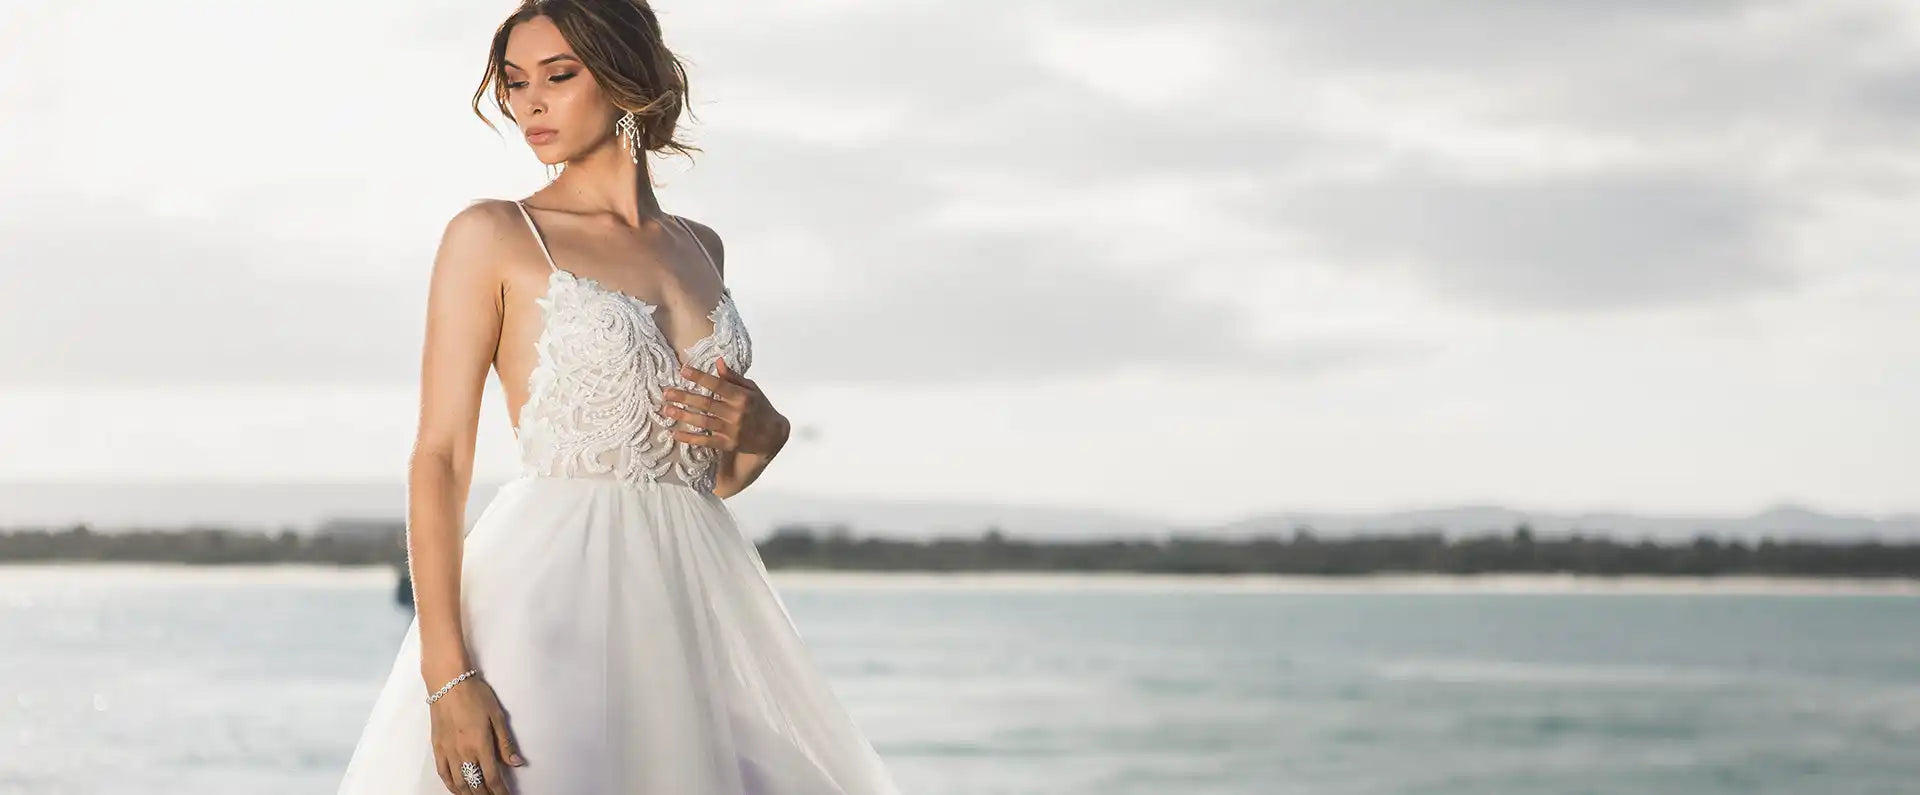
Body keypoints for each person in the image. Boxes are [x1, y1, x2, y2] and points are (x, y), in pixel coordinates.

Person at [334, 2, 903, 793]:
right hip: (549, 603)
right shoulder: (495, 234)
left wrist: (762, 435)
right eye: (515, 82)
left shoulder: (702, 246)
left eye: (559, 77)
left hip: (690, 609)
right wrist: (447, 676)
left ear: (628, 79)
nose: (530, 103)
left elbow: (702, 471)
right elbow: (439, 457)